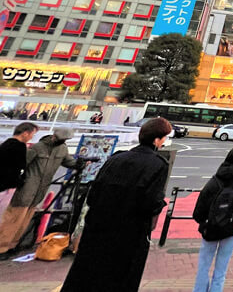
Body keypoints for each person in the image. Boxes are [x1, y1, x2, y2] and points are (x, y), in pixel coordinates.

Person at [62, 118, 172, 292]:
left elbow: (93, 194)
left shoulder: (116, 158)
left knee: (85, 275)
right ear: (157, 139)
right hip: (129, 232)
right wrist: (159, 205)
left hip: (97, 227)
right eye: (164, 137)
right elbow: (150, 203)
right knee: (121, 277)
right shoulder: (157, 164)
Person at [0, 127, 80, 258]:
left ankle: (12, 246)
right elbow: (23, 163)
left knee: (24, 221)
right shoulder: (39, 147)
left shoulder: (62, 149)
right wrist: (17, 178)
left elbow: (69, 162)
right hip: (27, 188)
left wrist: (79, 164)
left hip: (40, 191)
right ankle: (1, 247)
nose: (64, 141)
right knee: (13, 218)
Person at [191, 148, 233, 292]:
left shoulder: (215, 179)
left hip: (211, 227)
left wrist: (203, 220)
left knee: (204, 265)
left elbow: (200, 205)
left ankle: (199, 290)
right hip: (230, 227)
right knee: (221, 268)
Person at [0, 122, 38, 217]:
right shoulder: (20, 147)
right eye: (32, 135)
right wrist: (20, 181)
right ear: (25, 133)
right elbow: (20, 166)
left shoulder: (6, 144)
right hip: (7, 186)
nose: (31, 138)